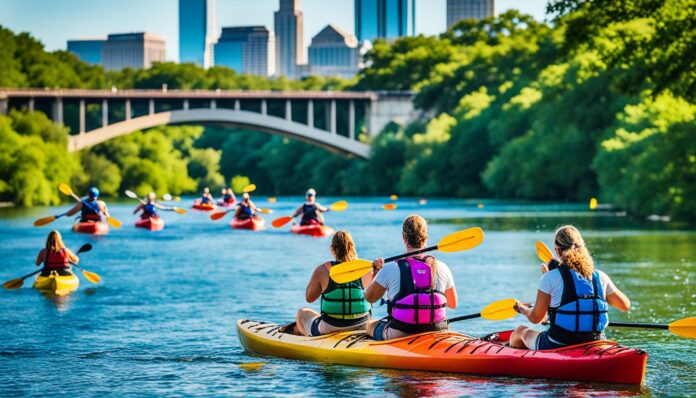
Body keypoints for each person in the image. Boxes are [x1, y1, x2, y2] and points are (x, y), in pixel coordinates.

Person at [509, 225, 631, 350]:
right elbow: (625, 305)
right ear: (582, 247)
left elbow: (536, 318)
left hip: (558, 344)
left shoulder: (550, 277)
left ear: (557, 250)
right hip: (596, 342)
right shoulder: (600, 276)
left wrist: (522, 309)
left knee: (520, 331)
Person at [364, 215, 458, 340]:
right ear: (426, 238)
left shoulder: (390, 268)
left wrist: (376, 271)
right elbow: (453, 304)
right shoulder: (443, 267)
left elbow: (370, 298)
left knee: (369, 324)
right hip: (437, 330)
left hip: (401, 332)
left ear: (404, 237)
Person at [295, 230, 372, 336]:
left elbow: (309, 298)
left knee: (302, 313)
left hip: (331, 327)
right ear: (352, 247)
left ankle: (303, 341)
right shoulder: (367, 269)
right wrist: (376, 270)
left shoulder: (323, 270)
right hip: (363, 324)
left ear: (332, 248)